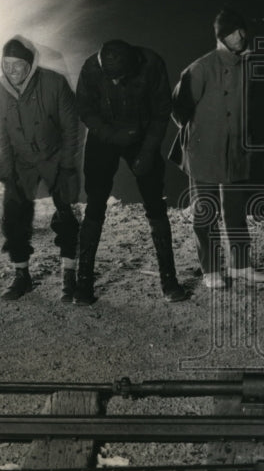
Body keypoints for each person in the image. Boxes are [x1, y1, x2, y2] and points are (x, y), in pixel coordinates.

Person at [75, 39, 189, 304]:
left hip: (142, 135)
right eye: (109, 78)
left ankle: (169, 280)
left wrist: (148, 152)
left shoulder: (151, 64)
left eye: (120, 78)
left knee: (155, 203)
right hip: (104, 135)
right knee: (94, 204)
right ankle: (84, 282)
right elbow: (85, 109)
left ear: (131, 65)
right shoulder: (91, 68)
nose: (114, 83)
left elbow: (162, 112)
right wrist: (112, 134)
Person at [170, 8, 264, 288]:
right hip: (205, 152)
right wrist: (202, 135)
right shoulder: (200, 68)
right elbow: (179, 111)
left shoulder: (248, 64)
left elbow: (256, 106)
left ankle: (240, 266)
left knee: (236, 210)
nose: (239, 36)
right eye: (231, 32)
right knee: (205, 211)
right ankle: (211, 269)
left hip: (236, 151)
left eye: (241, 30)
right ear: (220, 37)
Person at [0, 37, 82, 301]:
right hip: (21, 161)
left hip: (54, 156)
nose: (11, 71)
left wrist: (66, 166)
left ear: (29, 65)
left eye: (17, 65)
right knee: (14, 215)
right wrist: (7, 169)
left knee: (66, 212)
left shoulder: (54, 83)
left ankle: (69, 274)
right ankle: (21, 275)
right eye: (6, 64)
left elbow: (71, 127)